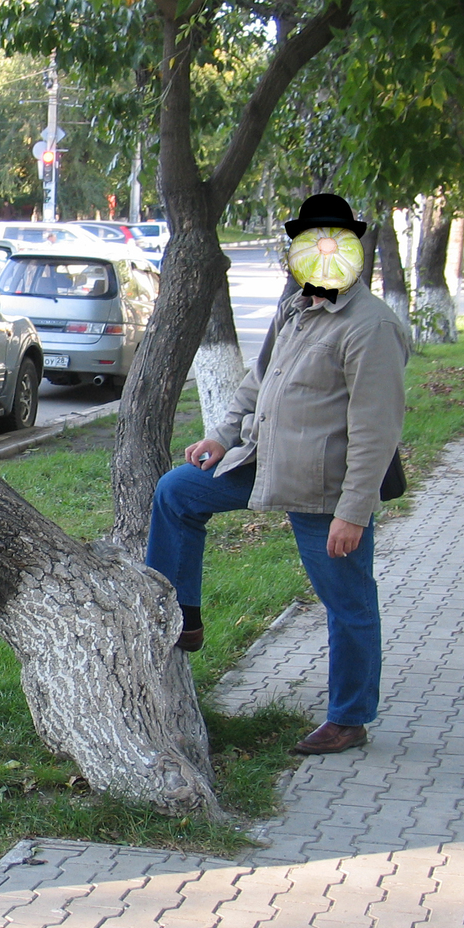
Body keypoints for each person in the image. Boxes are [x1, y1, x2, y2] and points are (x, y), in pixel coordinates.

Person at [146, 193, 410, 755]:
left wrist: (353, 513)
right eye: (307, 242)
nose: (317, 253)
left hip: (323, 489)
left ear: (351, 249)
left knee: (348, 601)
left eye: (330, 241)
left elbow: (375, 432)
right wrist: (221, 435)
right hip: (260, 461)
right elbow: (256, 379)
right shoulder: (296, 307)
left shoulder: (371, 328)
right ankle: (180, 614)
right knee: (177, 492)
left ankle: (349, 717)